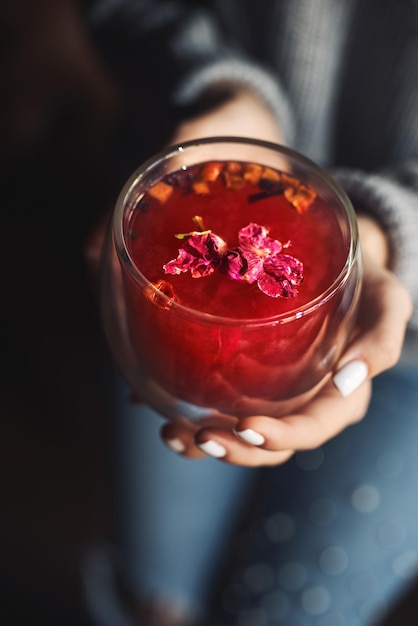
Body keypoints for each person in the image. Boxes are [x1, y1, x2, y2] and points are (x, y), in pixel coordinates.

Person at [81, 1, 418, 625]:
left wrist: (384, 238)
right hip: (174, 279)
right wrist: (222, 91)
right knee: (157, 585)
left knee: (286, 613)